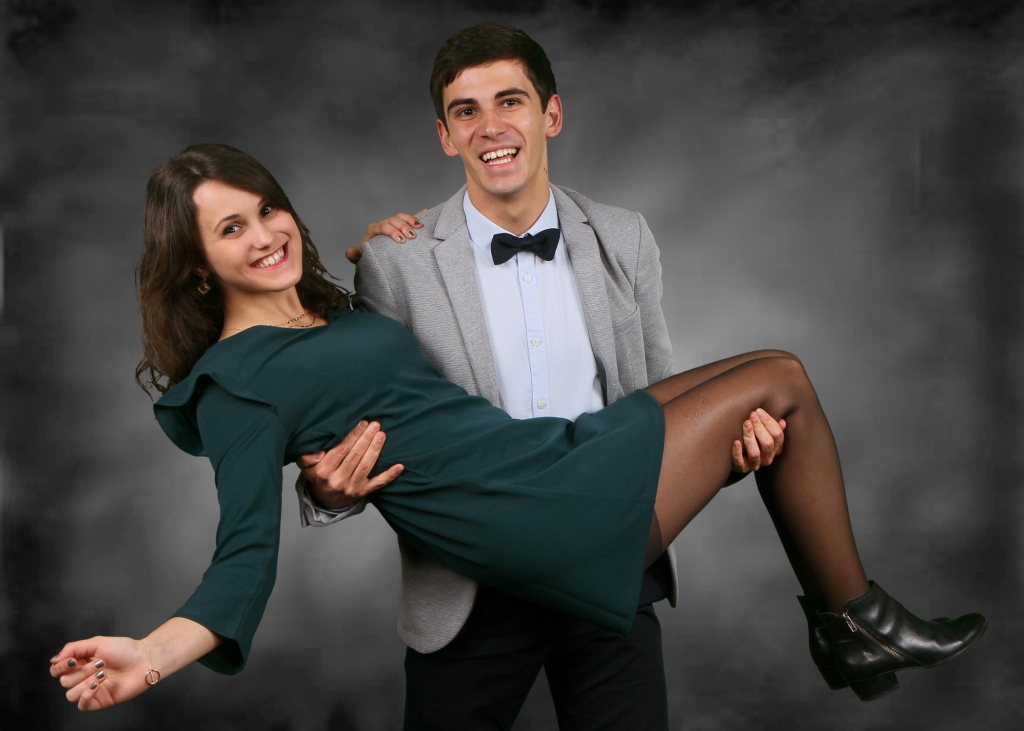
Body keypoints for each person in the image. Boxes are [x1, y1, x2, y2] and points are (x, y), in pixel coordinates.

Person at [50, 143, 986, 716]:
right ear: (197, 268)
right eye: (230, 230)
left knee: (773, 373)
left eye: (266, 208)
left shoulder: (333, 310)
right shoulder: (233, 384)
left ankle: (850, 624)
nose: (265, 234)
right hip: (525, 517)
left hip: (542, 459)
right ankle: (853, 622)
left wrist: (391, 249)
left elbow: (394, 383)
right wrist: (153, 655)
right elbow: (243, 555)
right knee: (782, 381)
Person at [292, 23, 786, 731]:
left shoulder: (625, 237)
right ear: (445, 136)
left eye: (510, 101)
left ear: (550, 114)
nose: (490, 127)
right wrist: (325, 491)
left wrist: (735, 453)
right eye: (467, 111)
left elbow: (663, 400)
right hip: (470, 584)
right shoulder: (394, 263)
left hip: (613, 558)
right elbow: (366, 422)